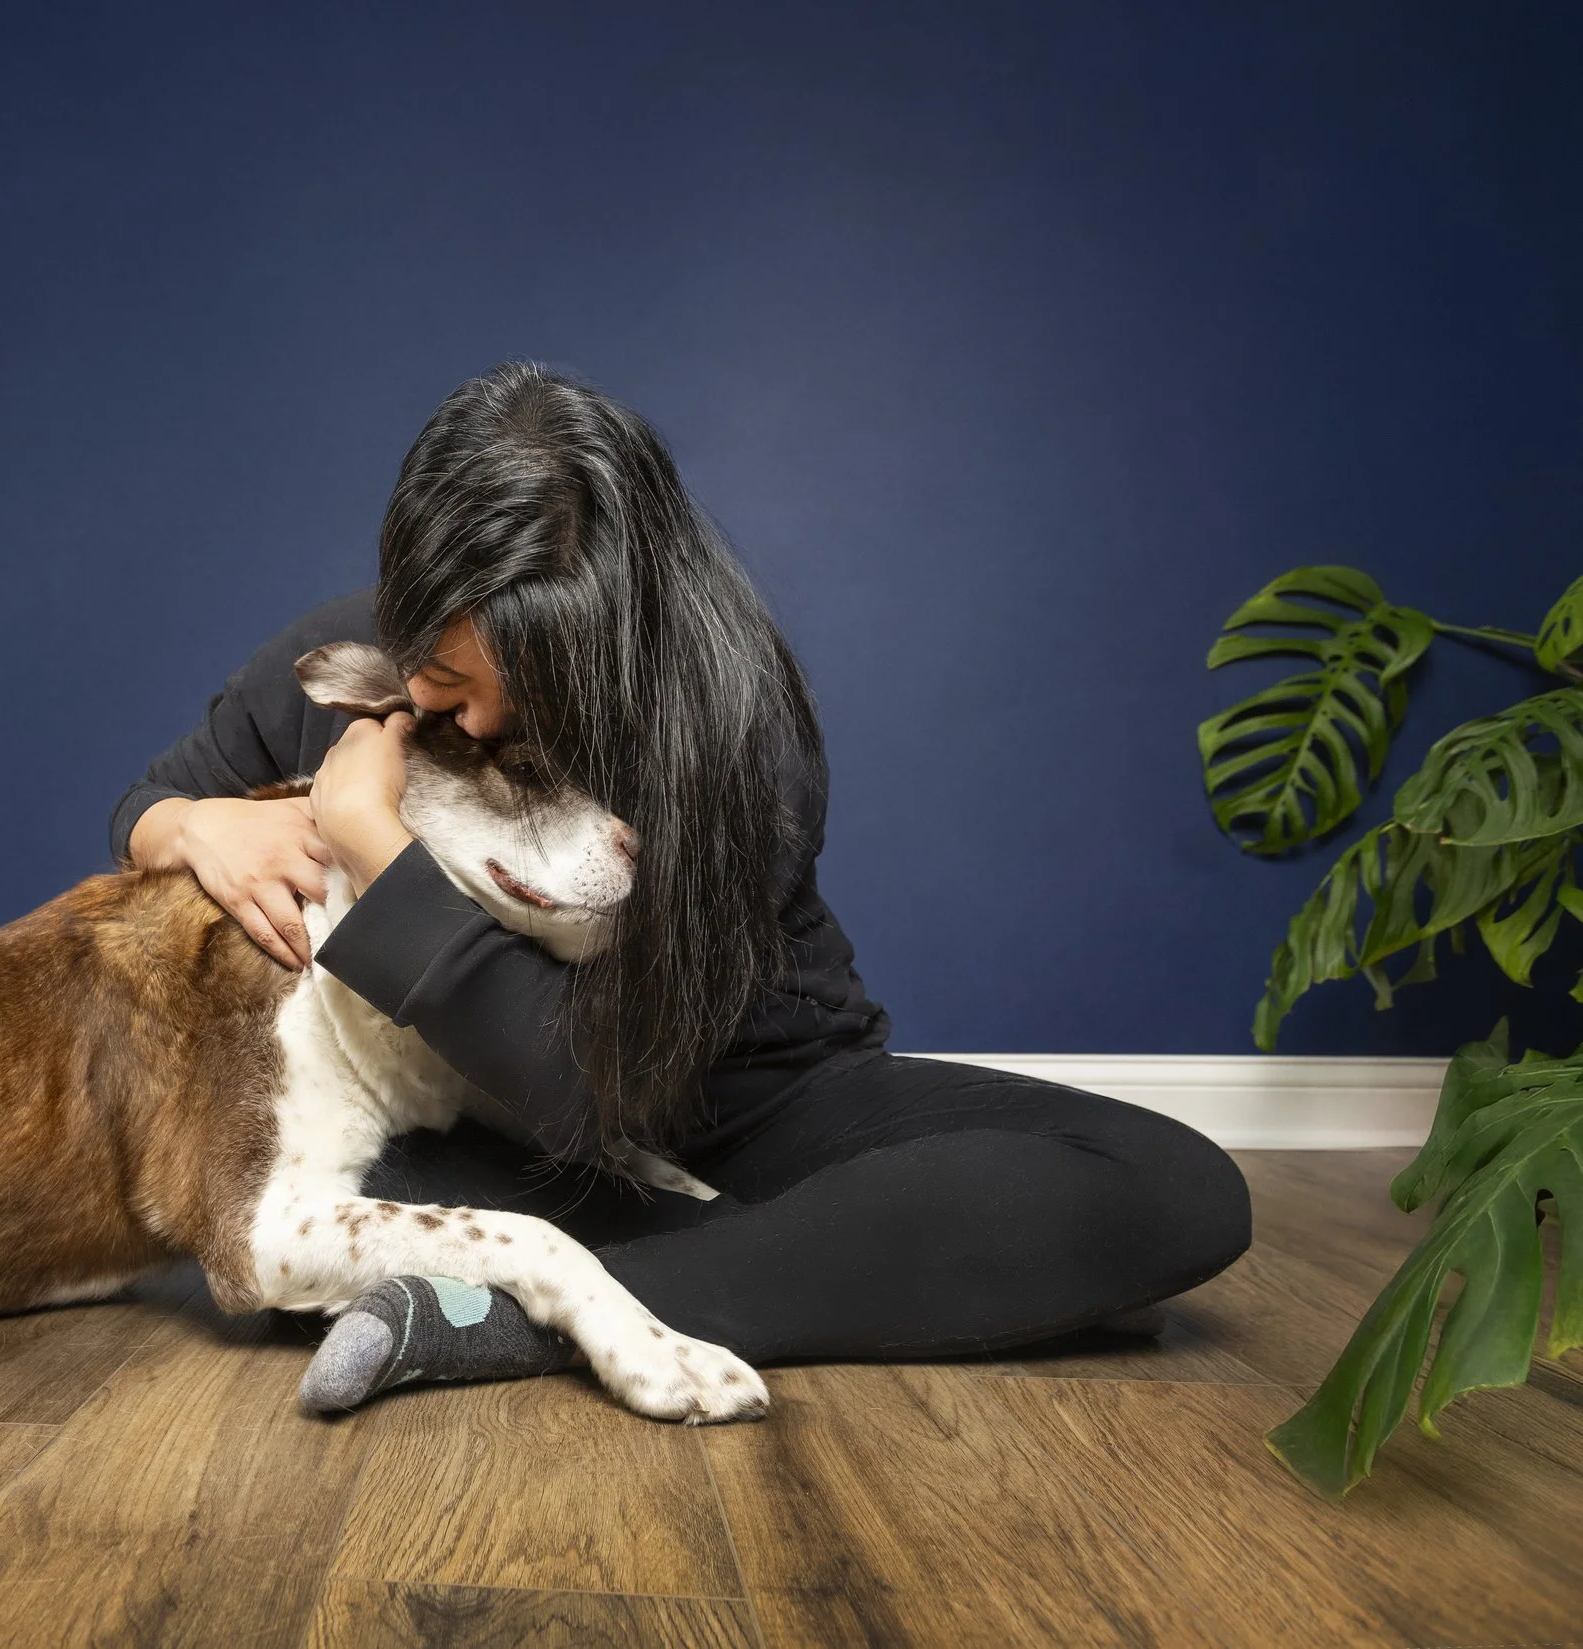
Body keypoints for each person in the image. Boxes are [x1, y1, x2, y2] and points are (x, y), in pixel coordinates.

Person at [116, 362, 1250, 1411]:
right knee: (325, 1167)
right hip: (489, 1134)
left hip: (746, 1106)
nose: (482, 723)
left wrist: (369, 841)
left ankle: (506, 1314)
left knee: (1174, 1187)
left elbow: (588, 1083)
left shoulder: (736, 731)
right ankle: (844, 1275)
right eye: (449, 687)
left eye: (537, 700)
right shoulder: (345, 656)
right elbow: (151, 806)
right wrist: (194, 823)